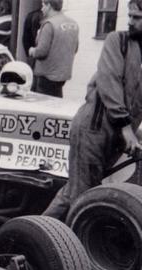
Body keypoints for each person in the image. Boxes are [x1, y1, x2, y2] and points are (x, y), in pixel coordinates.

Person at [43, 0, 142, 220]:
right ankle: (38, 243)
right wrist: (126, 127)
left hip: (116, 135)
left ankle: (41, 239)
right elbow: (109, 82)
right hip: (93, 128)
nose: (131, 22)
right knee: (80, 196)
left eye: (137, 18)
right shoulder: (118, 41)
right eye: (130, 16)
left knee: (81, 192)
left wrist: (132, 132)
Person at [28, 0, 79, 98]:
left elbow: (41, 52)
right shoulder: (73, 24)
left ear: (49, 6)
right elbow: (75, 48)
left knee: (42, 107)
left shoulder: (49, 24)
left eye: (43, 5)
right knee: (56, 102)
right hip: (62, 75)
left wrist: (32, 50)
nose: (42, 9)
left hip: (46, 75)